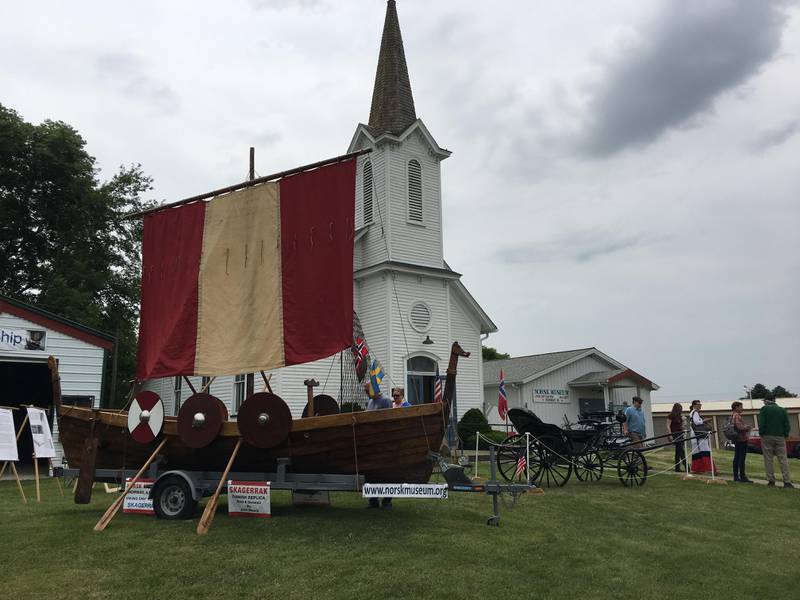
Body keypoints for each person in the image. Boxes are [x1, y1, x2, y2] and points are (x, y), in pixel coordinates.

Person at [364, 383, 393, 508]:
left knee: (386, 472)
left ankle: (387, 501)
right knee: (372, 472)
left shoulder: (385, 401)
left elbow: (388, 419)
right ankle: (373, 500)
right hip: (371, 442)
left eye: (367, 390)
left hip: (384, 442)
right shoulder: (371, 401)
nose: (366, 393)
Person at [758, 397, 794, 488]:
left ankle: (771, 480)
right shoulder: (782, 410)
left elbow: (762, 423)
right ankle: (787, 481)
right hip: (780, 436)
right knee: (783, 459)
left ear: (766, 401)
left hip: (767, 436)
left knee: (768, 459)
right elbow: (787, 424)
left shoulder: (764, 409)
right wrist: (785, 434)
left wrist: (761, 433)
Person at [688, 400, 714, 474]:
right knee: (705, 450)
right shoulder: (695, 412)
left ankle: (697, 468)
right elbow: (696, 422)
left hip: (695, 435)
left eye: (700, 404)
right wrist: (704, 420)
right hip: (699, 434)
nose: (700, 406)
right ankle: (708, 468)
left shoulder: (692, 413)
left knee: (697, 452)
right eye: (698, 404)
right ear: (694, 405)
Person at [730, 401, 753, 483]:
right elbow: (740, 427)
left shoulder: (732, 415)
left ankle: (736, 476)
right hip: (741, 439)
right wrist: (747, 427)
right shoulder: (737, 416)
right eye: (741, 407)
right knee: (741, 458)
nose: (742, 408)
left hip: (736, 439)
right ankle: (742, 476)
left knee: (736, 457)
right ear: (736, 407)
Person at [667, 403, 686, 472]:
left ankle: (677, 468)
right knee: (681, 451)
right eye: (680, 409)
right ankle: (687, 467)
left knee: (678, 452)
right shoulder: (671, 415)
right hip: (675, 434)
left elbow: (681, 426)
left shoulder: (679, 416)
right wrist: (670, 435)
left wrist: (683, 422)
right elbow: (668, 425)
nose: (681, 410)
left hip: (680, 434)